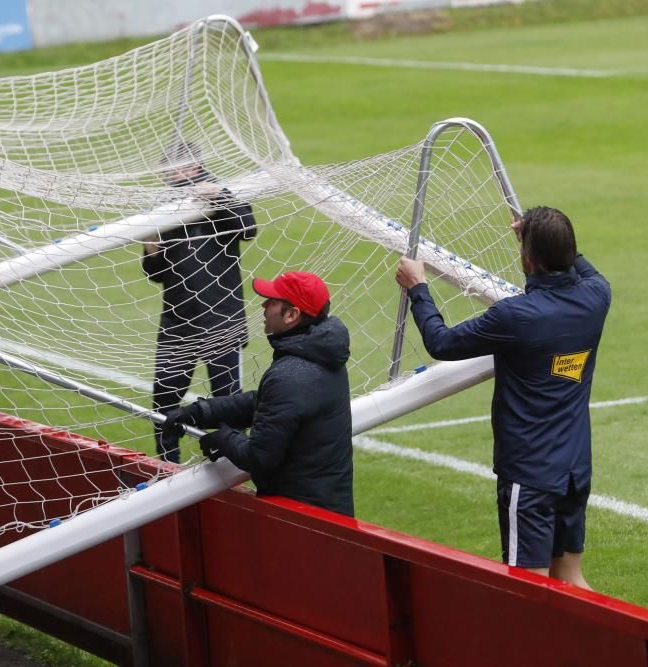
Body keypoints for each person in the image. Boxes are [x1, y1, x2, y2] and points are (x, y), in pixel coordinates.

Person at [394, 206, 610, 588]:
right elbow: (578, 264)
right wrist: (541, 236)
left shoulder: (515, 316)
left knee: (527, 586)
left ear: (527, 257)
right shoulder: (597, 296)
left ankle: (537, 650)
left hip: (531, 473)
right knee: (572, 578)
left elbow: (441, 342)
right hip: (575, 468)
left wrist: (418, 289)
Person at [162, 271, 354, 516]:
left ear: (292, 315)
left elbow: (259, 456)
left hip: (304, 519)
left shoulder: (291, 374)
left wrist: (223, 438)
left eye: (272, 302)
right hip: (321, 508)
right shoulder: (318, 354)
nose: (263, 305)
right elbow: (267, 402)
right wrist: (201, 412)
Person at [143, 143, 257, 463]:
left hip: (220, 319)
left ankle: (233, 467)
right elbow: (156, 273)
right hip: (177, 321)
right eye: (165, 168)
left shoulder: (219, 192)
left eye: (173, 167)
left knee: (228, 402)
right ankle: (167, 465)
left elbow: (248, 227)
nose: (168, 174)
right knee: (164, 397)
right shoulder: (165, 205)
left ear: (193, 166)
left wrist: (218, 197)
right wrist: (151, 249)